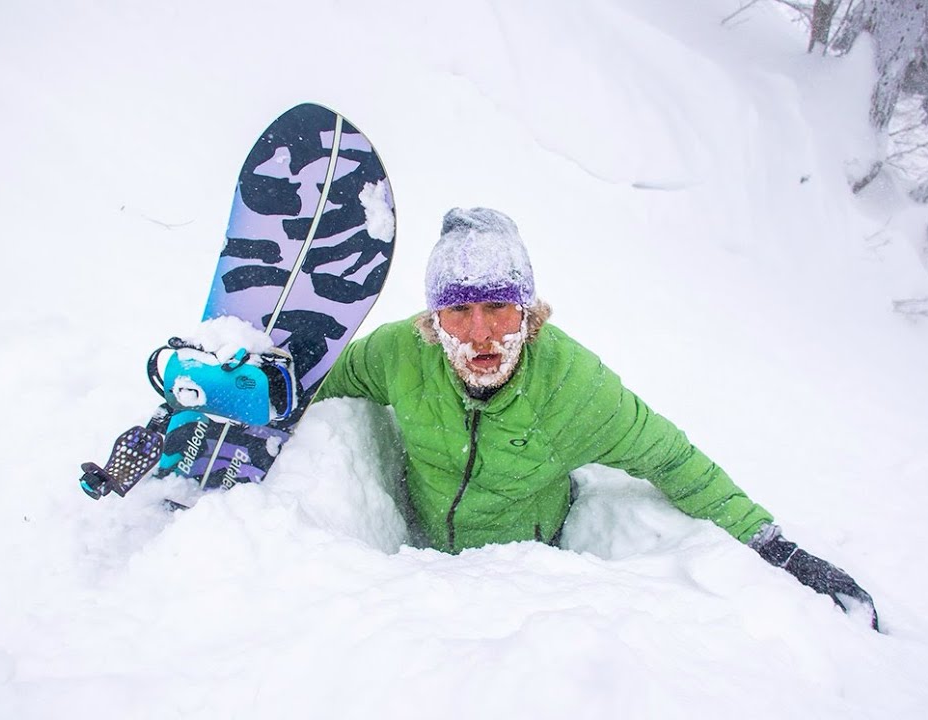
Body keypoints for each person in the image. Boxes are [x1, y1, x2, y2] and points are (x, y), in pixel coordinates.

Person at [316, 207, 878, 629]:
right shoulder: (398, 354)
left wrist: (776, 548)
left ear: (530, 312)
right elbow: (329, 385)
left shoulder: (571, 386)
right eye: (458, 310)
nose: (481, 334)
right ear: (434, 319)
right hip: (415, 580)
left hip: (525, 585)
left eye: (498, 307)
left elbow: (673, 459)